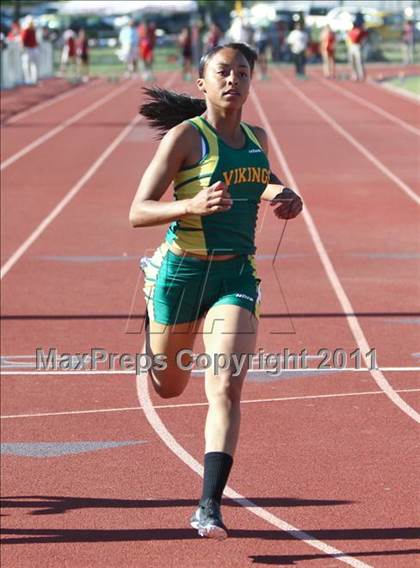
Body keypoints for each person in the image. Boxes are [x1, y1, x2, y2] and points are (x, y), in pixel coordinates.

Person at [130, 43, 302, 540]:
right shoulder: (187, 138)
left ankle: (208, 506)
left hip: (235, 278)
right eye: (223, 72)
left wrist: (283, 194)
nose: (234, 80)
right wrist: (190, 206)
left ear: (252, 82)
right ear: (202, 83)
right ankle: (150, 301)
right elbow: (138, 210)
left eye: (243, 72)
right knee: (169, 386)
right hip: (181, 272)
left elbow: (259, 180)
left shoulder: (257, 138)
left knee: (225, 385)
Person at [20, 16, 39, 85]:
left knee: (29, 65)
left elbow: (23, 40)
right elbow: (23, 40)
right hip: (30, 49)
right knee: (29, 65)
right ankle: (30, 79)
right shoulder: (29, 30)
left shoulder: (30, 30)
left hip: (30, 49)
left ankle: (31, 79)